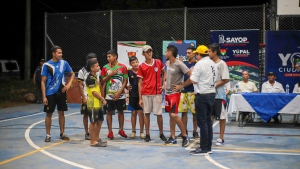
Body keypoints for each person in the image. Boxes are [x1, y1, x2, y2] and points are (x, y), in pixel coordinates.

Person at [41, 45, 75, 142]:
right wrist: (44, 96)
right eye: (59, 53)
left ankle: (62, 133)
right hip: (50, 93)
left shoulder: (64, 63)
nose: (61, 54)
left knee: (61, 113)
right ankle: (48, 135)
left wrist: (68, 84)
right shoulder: (46, 65)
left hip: (61, 91)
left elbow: (72, 73)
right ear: (53, 53)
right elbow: (43, 81)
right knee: (49, 114)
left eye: (61, 52)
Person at [189, 45, 217, 155]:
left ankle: (204, 148)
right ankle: (208, 147)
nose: (196, 56)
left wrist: (192, 73)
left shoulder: (199, 64)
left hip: (202, 95)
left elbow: (193, 80)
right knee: (208, 122)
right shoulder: (212, 64)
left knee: (203, 123)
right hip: (211, 94)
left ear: (199, 55)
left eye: (196, 54)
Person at [137, 45, 167, 142]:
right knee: (146, 114)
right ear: (143, 54)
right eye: (147, 52)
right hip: (146, 93)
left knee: (159, 114)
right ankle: (147, 134)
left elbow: (164, 72)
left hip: (157, 92)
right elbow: (140, 83)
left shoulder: (158, 62)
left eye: (150, 51)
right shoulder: (141, 66)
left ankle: (161, 133)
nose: (149, 53)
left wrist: (164, 83)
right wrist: (140, 98)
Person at [164, 45, 191, 147]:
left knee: (174, 115)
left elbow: (191, 75)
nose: (165, 53)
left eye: (166, 52)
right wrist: (165, 83)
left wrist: (181, 86)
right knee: (171, 116)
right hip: (167, 92)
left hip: (175, 93)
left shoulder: (179, 64)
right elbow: (168, 75)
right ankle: (173, 137)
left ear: (170, 53)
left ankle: (185, 136)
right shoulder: (168, 63)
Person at [100, 49, 128, 139]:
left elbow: (125, 81)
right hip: (109, 95)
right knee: (109, 112)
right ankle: (110, 132)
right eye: (107, 57)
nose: (108, 58)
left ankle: (121, 130)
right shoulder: (105, 68)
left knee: (121, 112)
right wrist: (109, 75)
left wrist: (119, 92)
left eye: (110, 56)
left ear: (115, 56)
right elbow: (101, 81)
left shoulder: (123, 67)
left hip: (120, 94)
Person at [208, 43, 230, 146]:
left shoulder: (222, 64)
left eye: (209, 51)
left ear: (215, 52)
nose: (208, 53)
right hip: (209, 94)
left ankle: (221, 137)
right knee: (210, 116)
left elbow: (226, 79)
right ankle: (209, 136)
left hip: (219, 95)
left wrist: (214, 85)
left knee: (221, 116)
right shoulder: (208, 63)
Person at [176, 47, 199, 139]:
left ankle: (195, 131)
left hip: (193, 91)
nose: (187, 54)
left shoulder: (197, 64)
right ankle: (184, 131)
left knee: (195, 113)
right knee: (183, 112)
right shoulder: (183, 64)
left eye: (189, 53)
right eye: (186, 53)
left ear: (194, 54)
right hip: (184, 91)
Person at [85, 59, 107, 147]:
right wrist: (102, 99)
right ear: (92, 68)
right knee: (93, 122)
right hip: (92, 103)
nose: (99, 67)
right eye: (97, 66)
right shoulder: (90, 78)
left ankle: (97, 138)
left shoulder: (95, 76)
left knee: (100, 120)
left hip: (97, 103)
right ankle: (92, 141)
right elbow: (94, 92)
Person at [77, 53, 99, 140]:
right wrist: (83, 97)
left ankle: (94, 133)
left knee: (95, 116)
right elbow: (80, 85)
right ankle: (87, 132)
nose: (95, 61)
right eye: (93, 59)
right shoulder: (82, 71)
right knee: (86, 115)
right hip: (87, 96)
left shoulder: (97, 70)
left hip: (95, 96)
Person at [127, 56, 145, 139]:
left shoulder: (142, 71)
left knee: (140, 113)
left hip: (141, 96)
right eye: (133, 63)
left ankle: (141, 132)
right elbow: (124, 81)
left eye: (136, 62)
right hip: (132, 96)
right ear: (130, 64)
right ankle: (133, 131)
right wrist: (126, 87)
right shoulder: (128, 72)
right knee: (133, 113)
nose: (135, 64)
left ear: (138, 62)